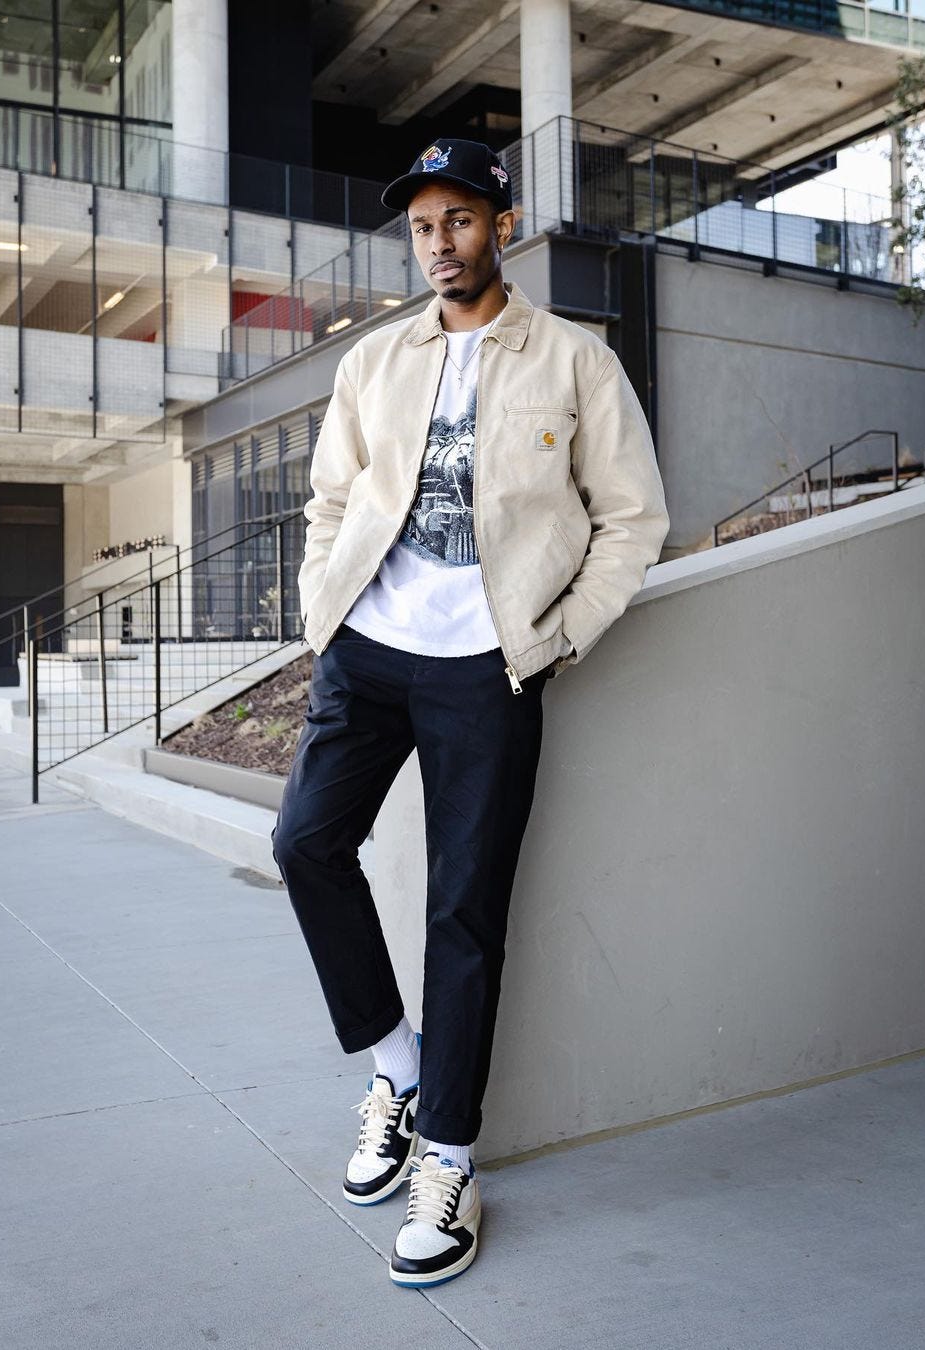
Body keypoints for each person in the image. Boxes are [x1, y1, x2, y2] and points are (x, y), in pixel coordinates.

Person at [271, 138, 670, 1288]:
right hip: (369, 651)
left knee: (465, 912)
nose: (441, 244)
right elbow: (331, 497)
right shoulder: (377, 363)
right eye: (424, 227)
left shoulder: (577, 363)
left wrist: (553, 634)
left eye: (460, 221)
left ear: (504, 222)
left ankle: (448, 1158)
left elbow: (633, 520)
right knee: (304, 843)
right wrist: (322, 616)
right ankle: (396, 1069)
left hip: (483, 668)